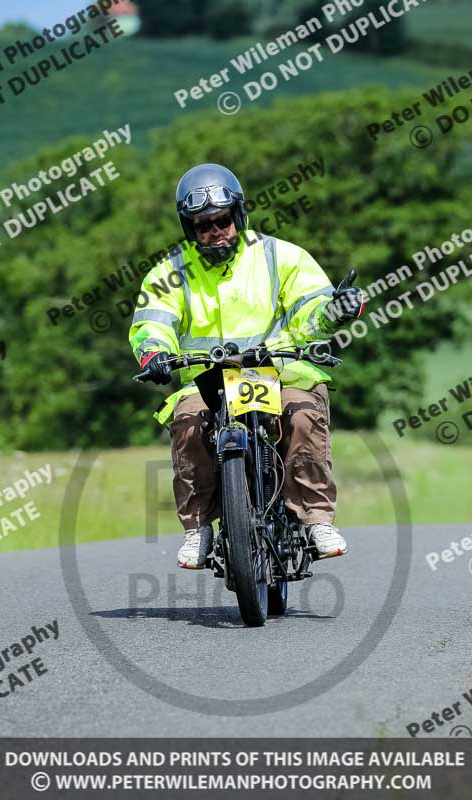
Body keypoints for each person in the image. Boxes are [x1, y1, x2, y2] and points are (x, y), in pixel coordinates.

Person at [129, 163, 364, 569]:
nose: (214, 231)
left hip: (283, 371)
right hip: (207, 381)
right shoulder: (170, 271)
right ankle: (198, 528)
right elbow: (153, 320)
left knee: (303, 415)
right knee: (187, 422)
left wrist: (335, 311)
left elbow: (312, 309)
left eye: (221, 221)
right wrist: (153, 354)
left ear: (237, 215)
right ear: (190, 229)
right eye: (203, 225)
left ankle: (315, 520)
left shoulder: (281, 255)